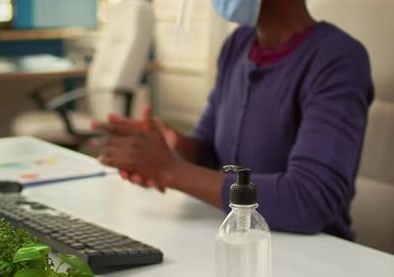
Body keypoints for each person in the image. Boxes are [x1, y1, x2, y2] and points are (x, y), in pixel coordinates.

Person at [94, 0, 374, 240]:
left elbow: (309, 200)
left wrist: (170, 170)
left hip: (315, 258)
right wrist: (175, 147)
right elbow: (209, 153)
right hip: (233, 239)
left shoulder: (338, 59)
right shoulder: (237, 45)